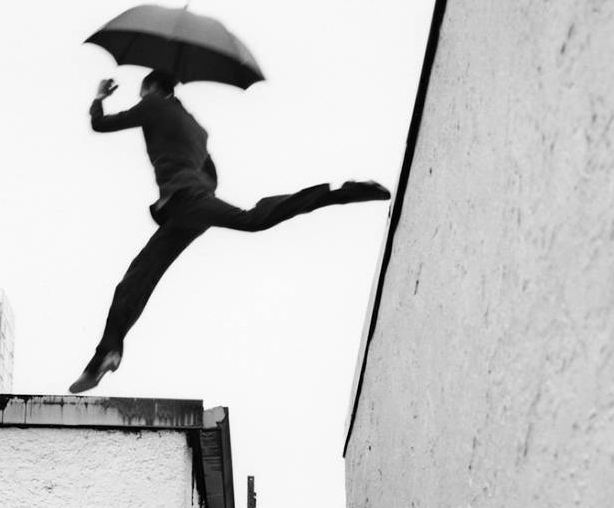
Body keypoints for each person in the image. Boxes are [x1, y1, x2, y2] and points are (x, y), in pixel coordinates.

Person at [69, 71, 390, 393]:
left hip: (187, 203)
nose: (141, 98)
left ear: (153, 88)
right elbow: (211, 175)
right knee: (139, 276)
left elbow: (101, 125)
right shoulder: (197, 128)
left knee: (144, 275)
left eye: (143, 92)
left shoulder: (153, 104)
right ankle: (107, 352)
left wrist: (99, 98)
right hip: (190, 210)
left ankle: (345, 191)